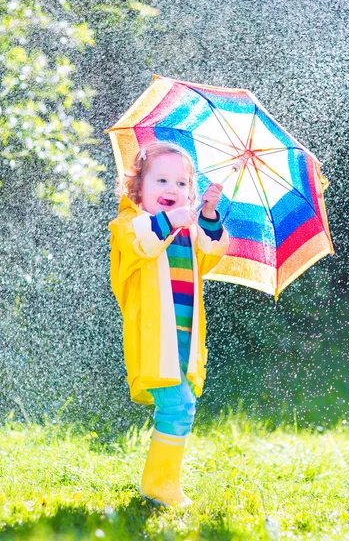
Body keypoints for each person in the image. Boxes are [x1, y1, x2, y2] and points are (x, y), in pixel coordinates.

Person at [108, 141, 229, 507]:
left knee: (180, 404)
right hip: (153, 341)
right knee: (179, 407)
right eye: (161, 180)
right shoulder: (128, 225)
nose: (172, 190)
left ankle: (160, 484)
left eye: (182, 184)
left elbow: (210, 254)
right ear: (137, 189)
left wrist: (207, 214)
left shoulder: (187, 231)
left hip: (183, 338)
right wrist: (167, 222)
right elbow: (142, 244)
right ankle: (160, 487)